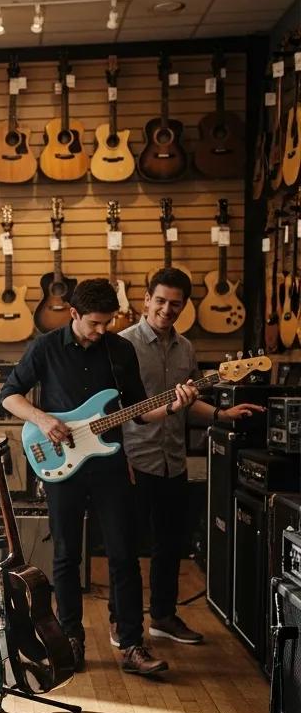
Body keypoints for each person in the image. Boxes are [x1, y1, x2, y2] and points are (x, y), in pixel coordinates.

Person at [0, 278, 197, 678]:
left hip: (109, 465)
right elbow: (9, 394)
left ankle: (131, 644)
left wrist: (174, 407)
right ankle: (70, 639)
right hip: (60, 464)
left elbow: (139, 411)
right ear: (73, 314)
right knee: (66, 556)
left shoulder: (120, 350)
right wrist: (43, 418)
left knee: (123, 555)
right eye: (94, 323)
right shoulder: (45, 347)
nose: (102, 330)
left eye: (107, 322)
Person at [116, 267, 263, 645]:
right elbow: (114, 406)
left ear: (184, 307)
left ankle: (163, 616)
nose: (167, 309)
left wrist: (219, 414)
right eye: (161, 300)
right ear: (146, 299)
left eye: (175, 304)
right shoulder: (122, 345)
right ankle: (122, 622)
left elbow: (187, 401)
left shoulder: (186, 349)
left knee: (170, 546)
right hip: (133, 459)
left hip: (172, 460)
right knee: (127, 548)